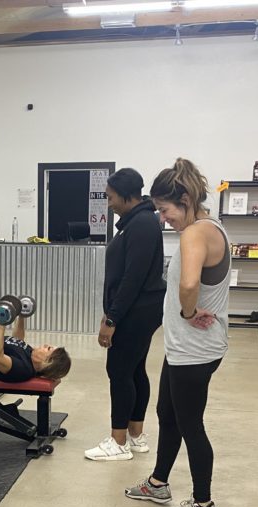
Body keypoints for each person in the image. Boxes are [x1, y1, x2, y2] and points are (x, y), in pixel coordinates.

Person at [124, 158, 229, 507]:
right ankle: (158, 484)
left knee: (190, 424)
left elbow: (188, 284)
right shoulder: (209, 227)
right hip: (185, 348)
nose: (163, 217)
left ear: (183, 198)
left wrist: (186, 314)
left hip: (195, 350)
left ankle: (203, 504)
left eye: (164, 209)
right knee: (168, 415)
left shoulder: (195, 233)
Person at [85, 167, 166, 462]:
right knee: (133, 370)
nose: (108, 202)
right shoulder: (137, 222)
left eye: (111, 197)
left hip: (136, 312)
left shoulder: (142, 224)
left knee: (119, 371)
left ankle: (118, 441)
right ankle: (135, 435)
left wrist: (112, 319)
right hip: (138, 310)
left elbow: (133, 279)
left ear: (127, 196)